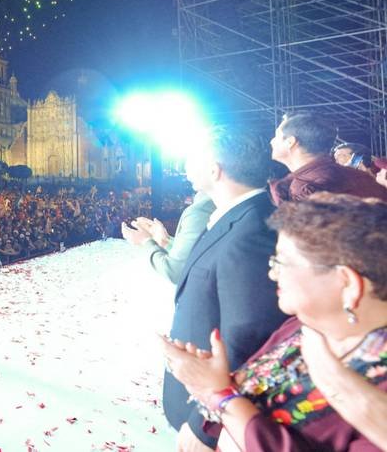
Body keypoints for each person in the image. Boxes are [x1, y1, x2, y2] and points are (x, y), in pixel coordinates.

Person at [162, 193, 387, 451]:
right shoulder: (300, 327)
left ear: (346, 283)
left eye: (282, 262)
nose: (271, 272)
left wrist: (218, 394)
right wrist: (213, 384)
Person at [164, 127, 287, 451]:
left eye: (192, 159)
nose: (185, 166)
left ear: (214, 169)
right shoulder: (237, 216)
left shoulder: (251, 230)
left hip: (215, 414)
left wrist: (206, 422)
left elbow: (249, 335)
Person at [269, 111, 387, 204]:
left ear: (291, 142)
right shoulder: (361, 177)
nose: (272, 141)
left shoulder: (306, 189)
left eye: (277, 136)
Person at [123, 190, 215, 285]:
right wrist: (165, 241)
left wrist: (146, 241)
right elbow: (193, 255)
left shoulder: (201, 210)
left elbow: (174, 271)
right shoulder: (207, 203)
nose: (187, 175)